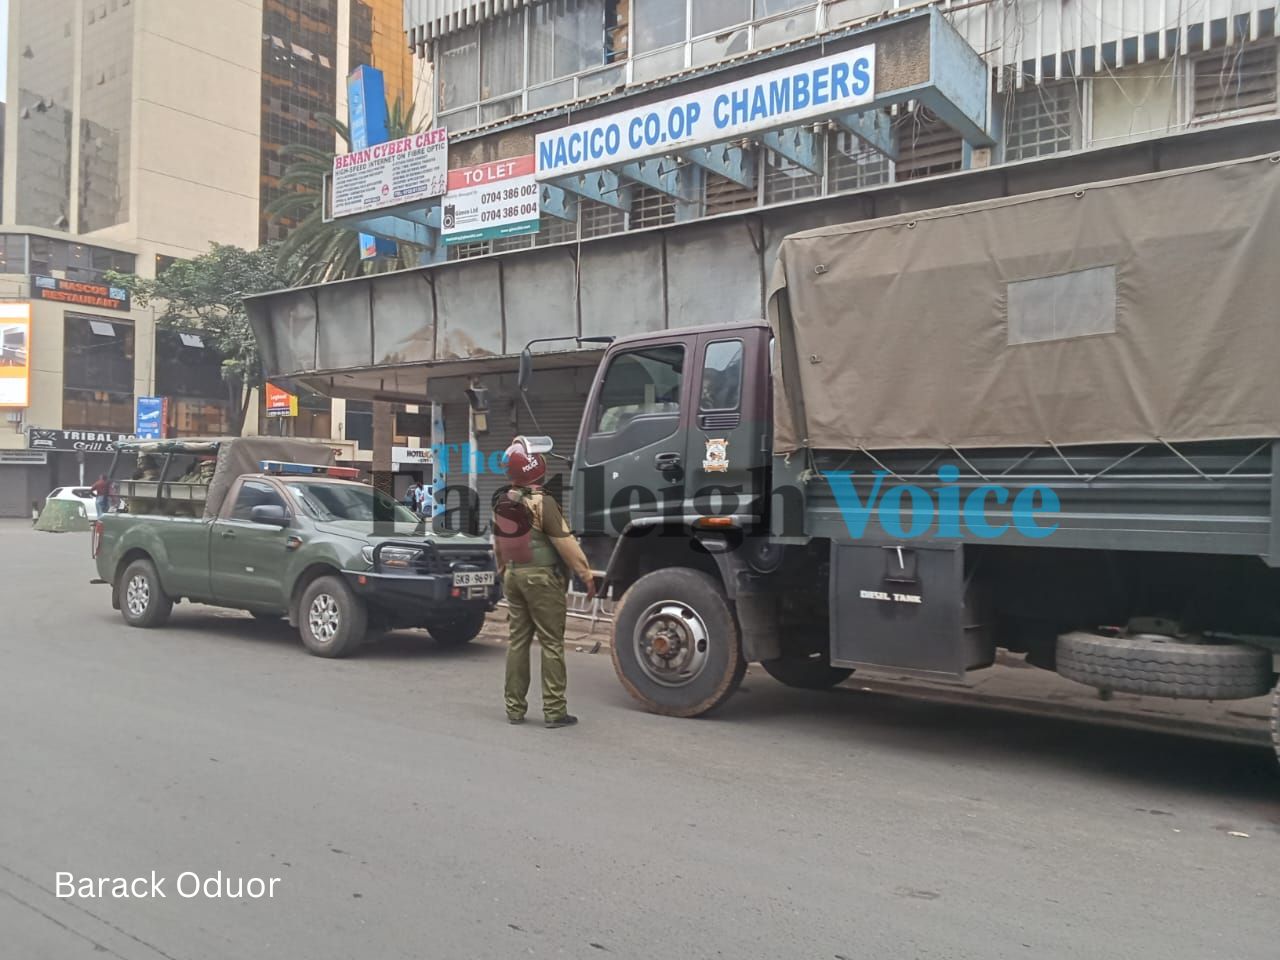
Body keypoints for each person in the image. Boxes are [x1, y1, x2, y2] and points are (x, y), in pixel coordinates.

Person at [494, 442, 595, 728]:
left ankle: (514, 709)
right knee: (551, 643)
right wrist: (586, 574)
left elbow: (498, 546)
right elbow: (565, 543)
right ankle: (554, 711)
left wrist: (504, 573)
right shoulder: (542, 502)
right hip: (541, 579)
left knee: (518, 642)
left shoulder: (503, 501)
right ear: (536, 466)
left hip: (514, 577)